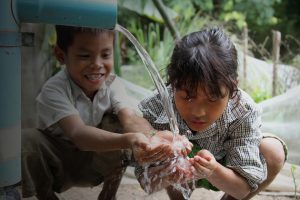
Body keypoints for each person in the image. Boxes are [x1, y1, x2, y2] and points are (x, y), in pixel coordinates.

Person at [21, 25, 190, 200]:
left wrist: (154, 136)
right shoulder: (54, 90)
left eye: (105, 55)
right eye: (85, 56)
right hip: (60, 163)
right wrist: (129, 140)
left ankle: (108, 195)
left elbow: (129, 118)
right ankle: (46, 196)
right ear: (61, 55)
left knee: (120, 123)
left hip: (96, 162)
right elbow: (78, 134)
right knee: (27, 141)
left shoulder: (112, 84)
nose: (97, 64)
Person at [135, 27, 287, 200]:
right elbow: (145, 181)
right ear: (173, 85)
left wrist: (213, 170)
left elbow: (242, 190)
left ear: (233, 88)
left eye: (212, 99)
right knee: (171, 154)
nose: (198, 112)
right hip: (182, 174)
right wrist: (167, 172)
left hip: (227, 169)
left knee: (273, 152)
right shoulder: (158, 105)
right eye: (187, 97)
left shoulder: (243, 110)